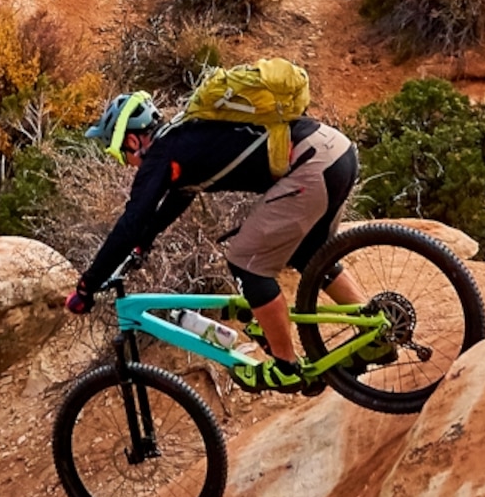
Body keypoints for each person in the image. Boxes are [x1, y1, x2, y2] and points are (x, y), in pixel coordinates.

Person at [63, 79, 361, 392]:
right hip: (336, 151)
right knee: (309, 255)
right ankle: (374, 331)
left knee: (246, 261)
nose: (126, 162)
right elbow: (179, 196)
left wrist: (87, 286)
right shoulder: (183, 136)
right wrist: (143, 243)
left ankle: (286, 367)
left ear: (134, 140)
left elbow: (131, 221)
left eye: (121, 152)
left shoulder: (162, 154)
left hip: (310, 164)